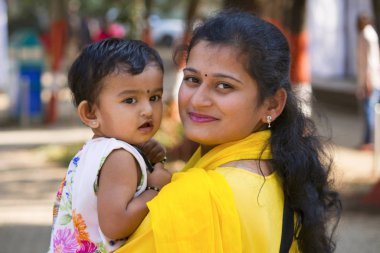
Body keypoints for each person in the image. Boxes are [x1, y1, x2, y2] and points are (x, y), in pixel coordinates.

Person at [116, 10, 341, 253]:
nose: (198, 100)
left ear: (272, 104)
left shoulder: (199, 195)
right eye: (192, 79)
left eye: (224, 86)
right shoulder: (282, 171)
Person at [47, 38, 171, 252]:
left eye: (155, 97)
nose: (148, 110)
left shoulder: (94, 151)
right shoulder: (120, 157)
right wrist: (155, 187)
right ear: (91, 113)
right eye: (130, 100)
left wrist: (145, 157)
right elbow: (116, 225)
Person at [356, 14, 380, 151]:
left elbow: (371, 62)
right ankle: (367, 140)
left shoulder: (368, 35)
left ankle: (370, 141)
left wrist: (368, 82)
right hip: (368, 80)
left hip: (370, 82)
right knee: (368, 112)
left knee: (370, 112)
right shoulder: (368, 34)